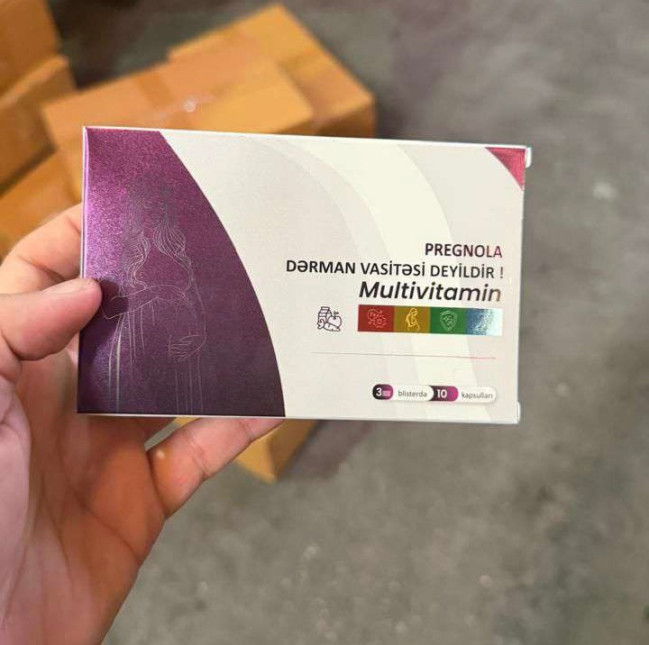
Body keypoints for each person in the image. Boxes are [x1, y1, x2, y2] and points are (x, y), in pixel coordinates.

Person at [0, 205, 278, 644]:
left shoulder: (178, 254)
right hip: (133, 345)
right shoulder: (129, 257)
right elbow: (118, 305)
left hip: (170, 342)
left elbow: (187, 296)